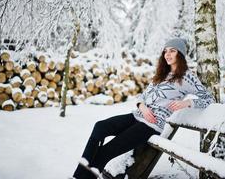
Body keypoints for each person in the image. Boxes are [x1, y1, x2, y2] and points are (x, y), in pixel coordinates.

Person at [73, 38, 215, 179]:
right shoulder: (161, 74)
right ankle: (79, 175)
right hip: (138, 115)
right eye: (165, 51)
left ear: (181, 54)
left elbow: (208, 99)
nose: (168, 54)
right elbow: (143, 96)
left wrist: (187, 103)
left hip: (151, 125)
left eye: (172, 51)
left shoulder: (187, 77)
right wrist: (143, 107)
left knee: (106, 151)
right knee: (100, 127)